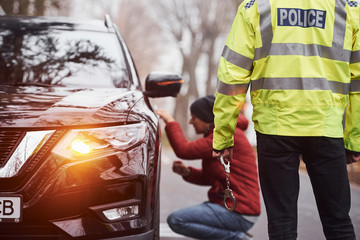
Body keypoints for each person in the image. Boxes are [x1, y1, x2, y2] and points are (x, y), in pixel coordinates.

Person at [212, 0, 360, 240]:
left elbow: (232, 75)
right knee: (338, 222)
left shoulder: (255, 7)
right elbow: (358, 81)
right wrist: (354, 138)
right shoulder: (348, 8)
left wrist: (223, 135)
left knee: (282, 225)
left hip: (274, 129)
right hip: (326, 126)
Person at [157, 95, 260, 240]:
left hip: (239, 210)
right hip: (236, 209)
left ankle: (237, 238)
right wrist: (187, 173)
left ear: (207, 118)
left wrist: (170, 121)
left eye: (194, 117)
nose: (190, 121)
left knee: (177, 220)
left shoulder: (225, 136)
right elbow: (211, 178)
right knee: (178, 220)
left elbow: (183, 150)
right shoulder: (221, 135)